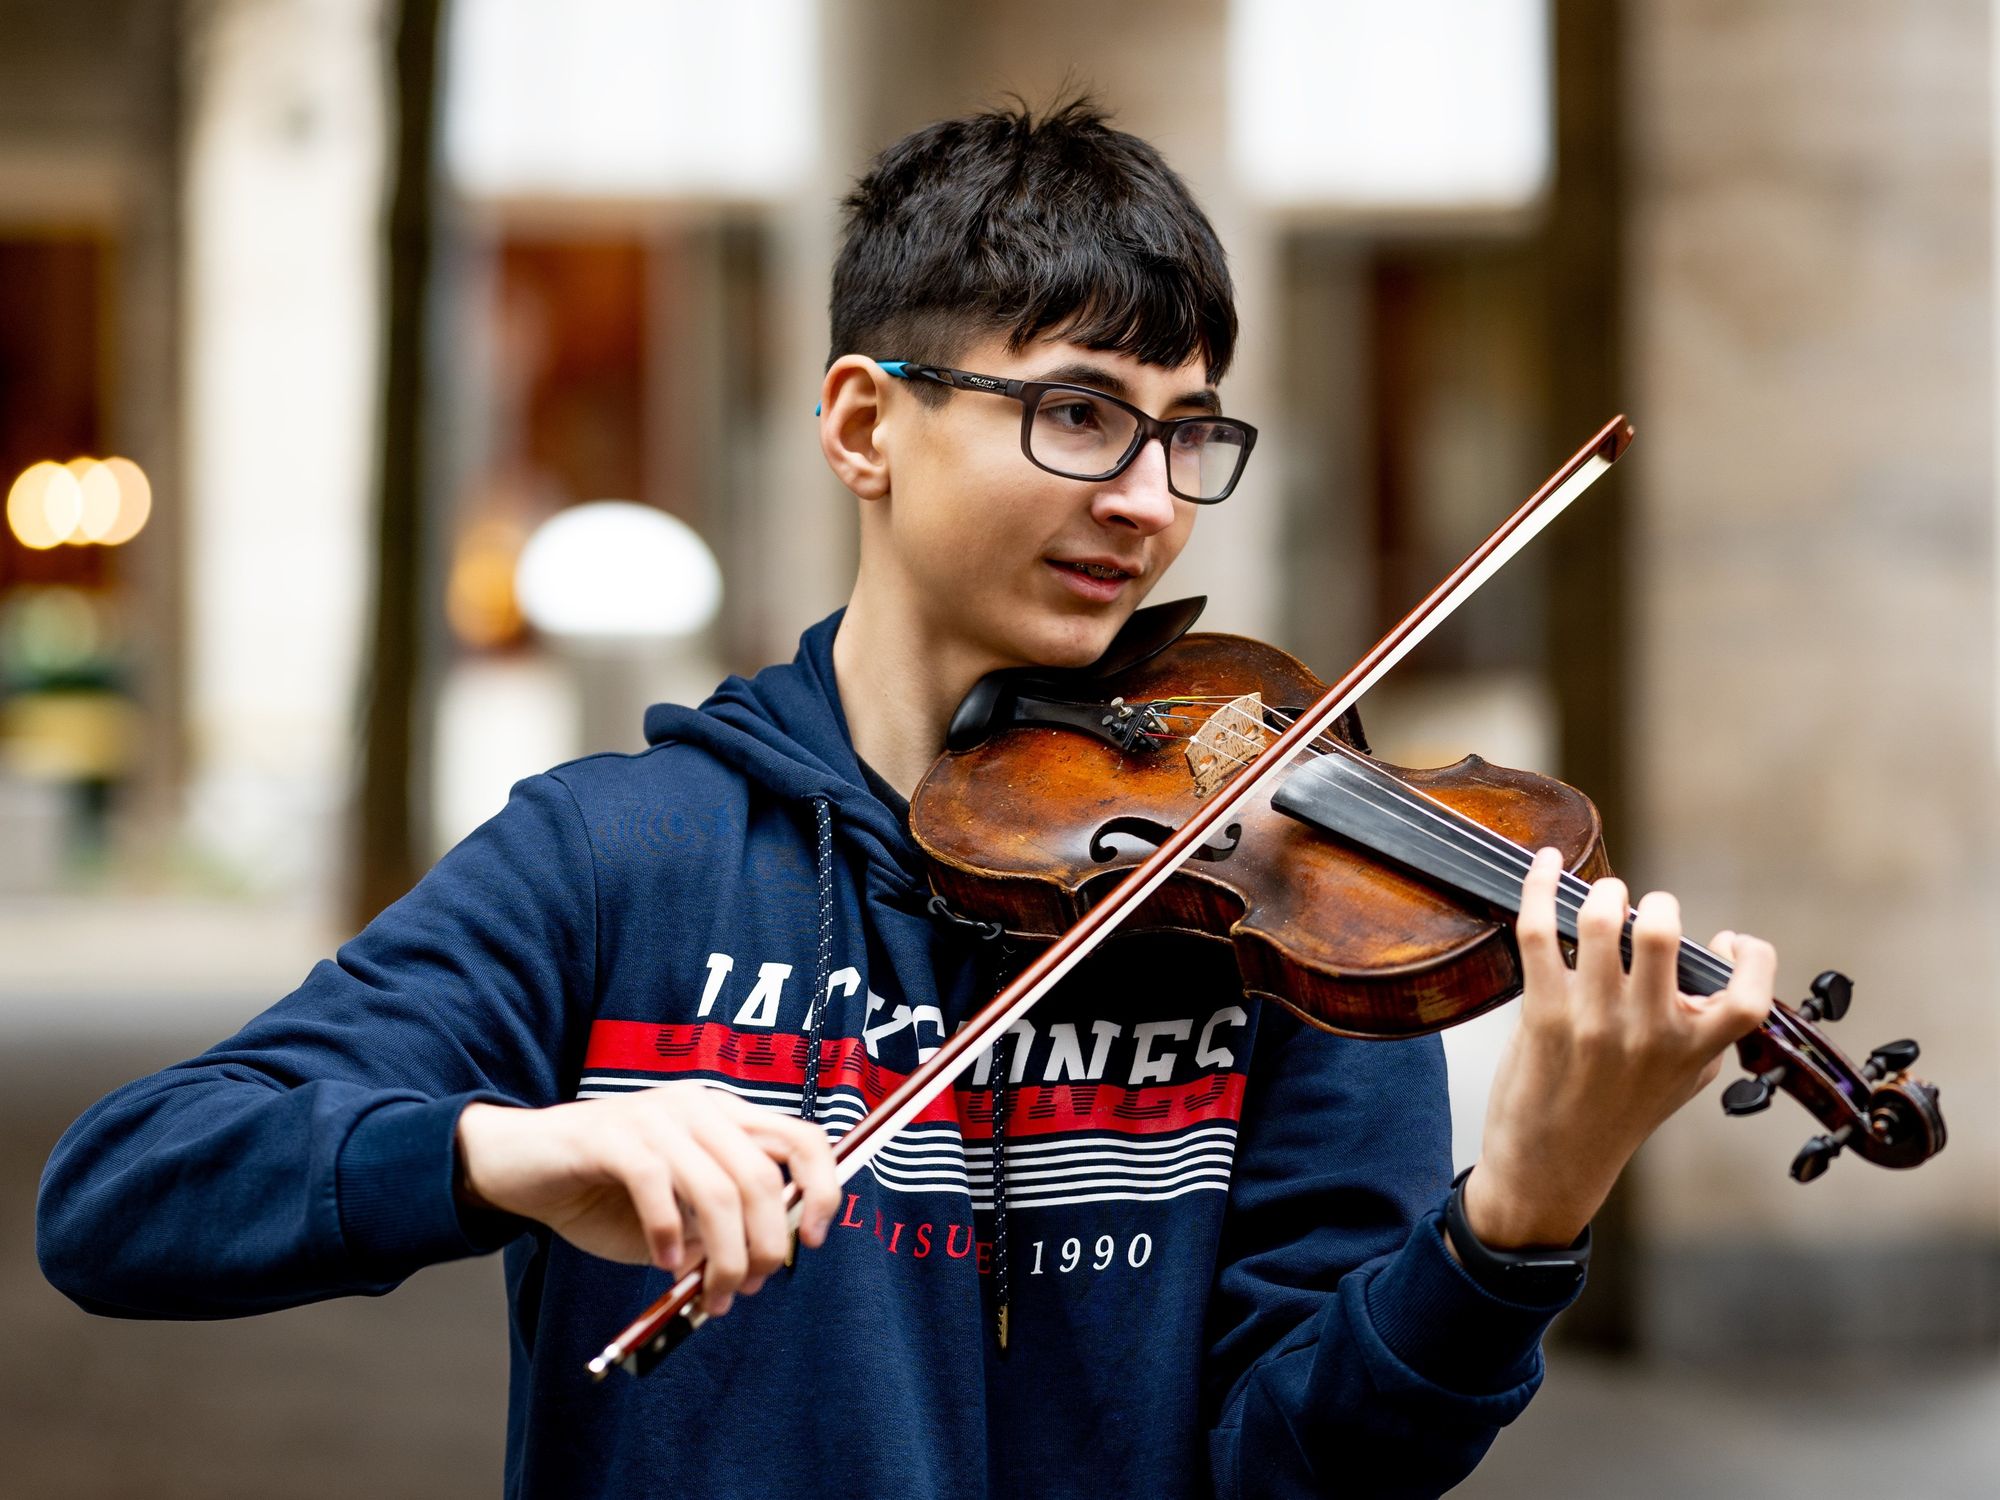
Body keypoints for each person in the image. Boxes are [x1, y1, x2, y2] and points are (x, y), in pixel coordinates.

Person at [37, 98, 1773, 1499]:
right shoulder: (621, 856)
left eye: (1191, 434)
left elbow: (1300, 1466)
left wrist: (1518, 1218)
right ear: (866, 423)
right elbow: (128, 1196)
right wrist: (511, 1149)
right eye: (1081, 415)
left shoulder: (1277, 904)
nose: (1153, 501)